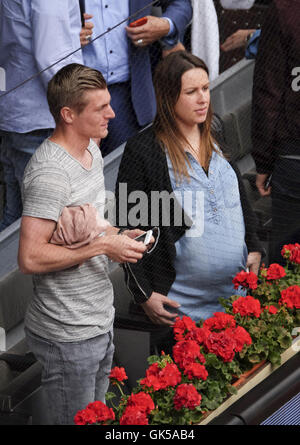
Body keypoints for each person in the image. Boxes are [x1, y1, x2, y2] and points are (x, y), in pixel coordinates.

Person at [18, 63, 147, 425]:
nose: (113, 113)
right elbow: (29, 256)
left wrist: (116, 235)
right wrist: (104, 248)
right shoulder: (50, 173)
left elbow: (88, 222)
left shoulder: (90, 147)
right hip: (67, 334)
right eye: (100, 107)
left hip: (97, 320)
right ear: (68, 114)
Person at [115, 52, 263, 342]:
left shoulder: (215, 131)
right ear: (170, 97)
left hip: (238, 301)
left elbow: (235, 197)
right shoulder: (143, 152)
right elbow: (127, 232)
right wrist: (144, 293)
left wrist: (254, 246)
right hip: (185, 317)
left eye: (206, 89)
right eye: (191, 92)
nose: (203, 99)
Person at [0, 0, 91, 232]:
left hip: (17, 114)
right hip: (42, 120)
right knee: (50, 226)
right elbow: (53, 59)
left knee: (16, 219)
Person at [82, 0, 193, 156]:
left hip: (130, 94)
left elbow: (180, 4)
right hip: (73, 96)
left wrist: (165, 25)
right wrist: (65, 35)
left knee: (126, 173)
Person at [251, 0, 300, 264]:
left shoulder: (283, 10)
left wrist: (264, 161)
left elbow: (268, 92)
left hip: (293, 158)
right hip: (293, 157)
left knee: (287, 264)